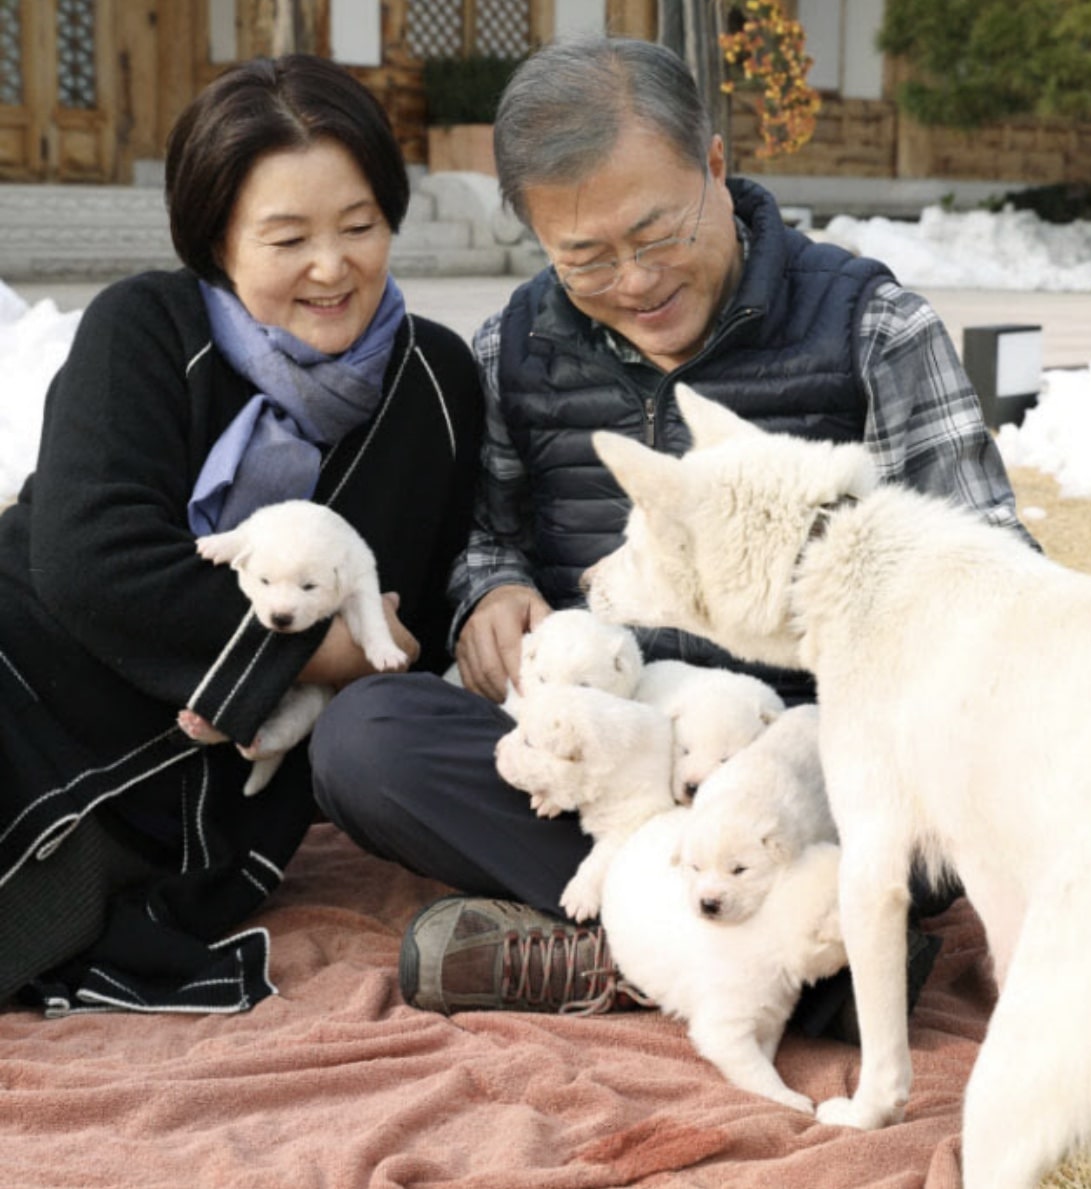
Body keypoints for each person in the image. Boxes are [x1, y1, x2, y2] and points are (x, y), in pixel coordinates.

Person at [310, 36, 1032, 1024]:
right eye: (586, 259)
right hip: (612, 742)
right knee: (364, 740)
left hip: (810, 757)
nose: (636, 280)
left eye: (656, 235)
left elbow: (995, 578)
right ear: (536, 241)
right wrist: (491, 592)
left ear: (717, 168)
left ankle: (629, 952)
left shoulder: (870, 328)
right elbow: (486, 533)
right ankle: (795, 964)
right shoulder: (513, 347)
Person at [0, 54, 483, 1013]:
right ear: (216, 236)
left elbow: (414, 607)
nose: (332, 266)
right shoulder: (143, 325)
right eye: (287, 237)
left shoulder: (437, 380)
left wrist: (362, 653)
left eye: (359, 225)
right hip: (33, 664)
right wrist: (319, 644)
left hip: (210, 791)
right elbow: (89, 558)